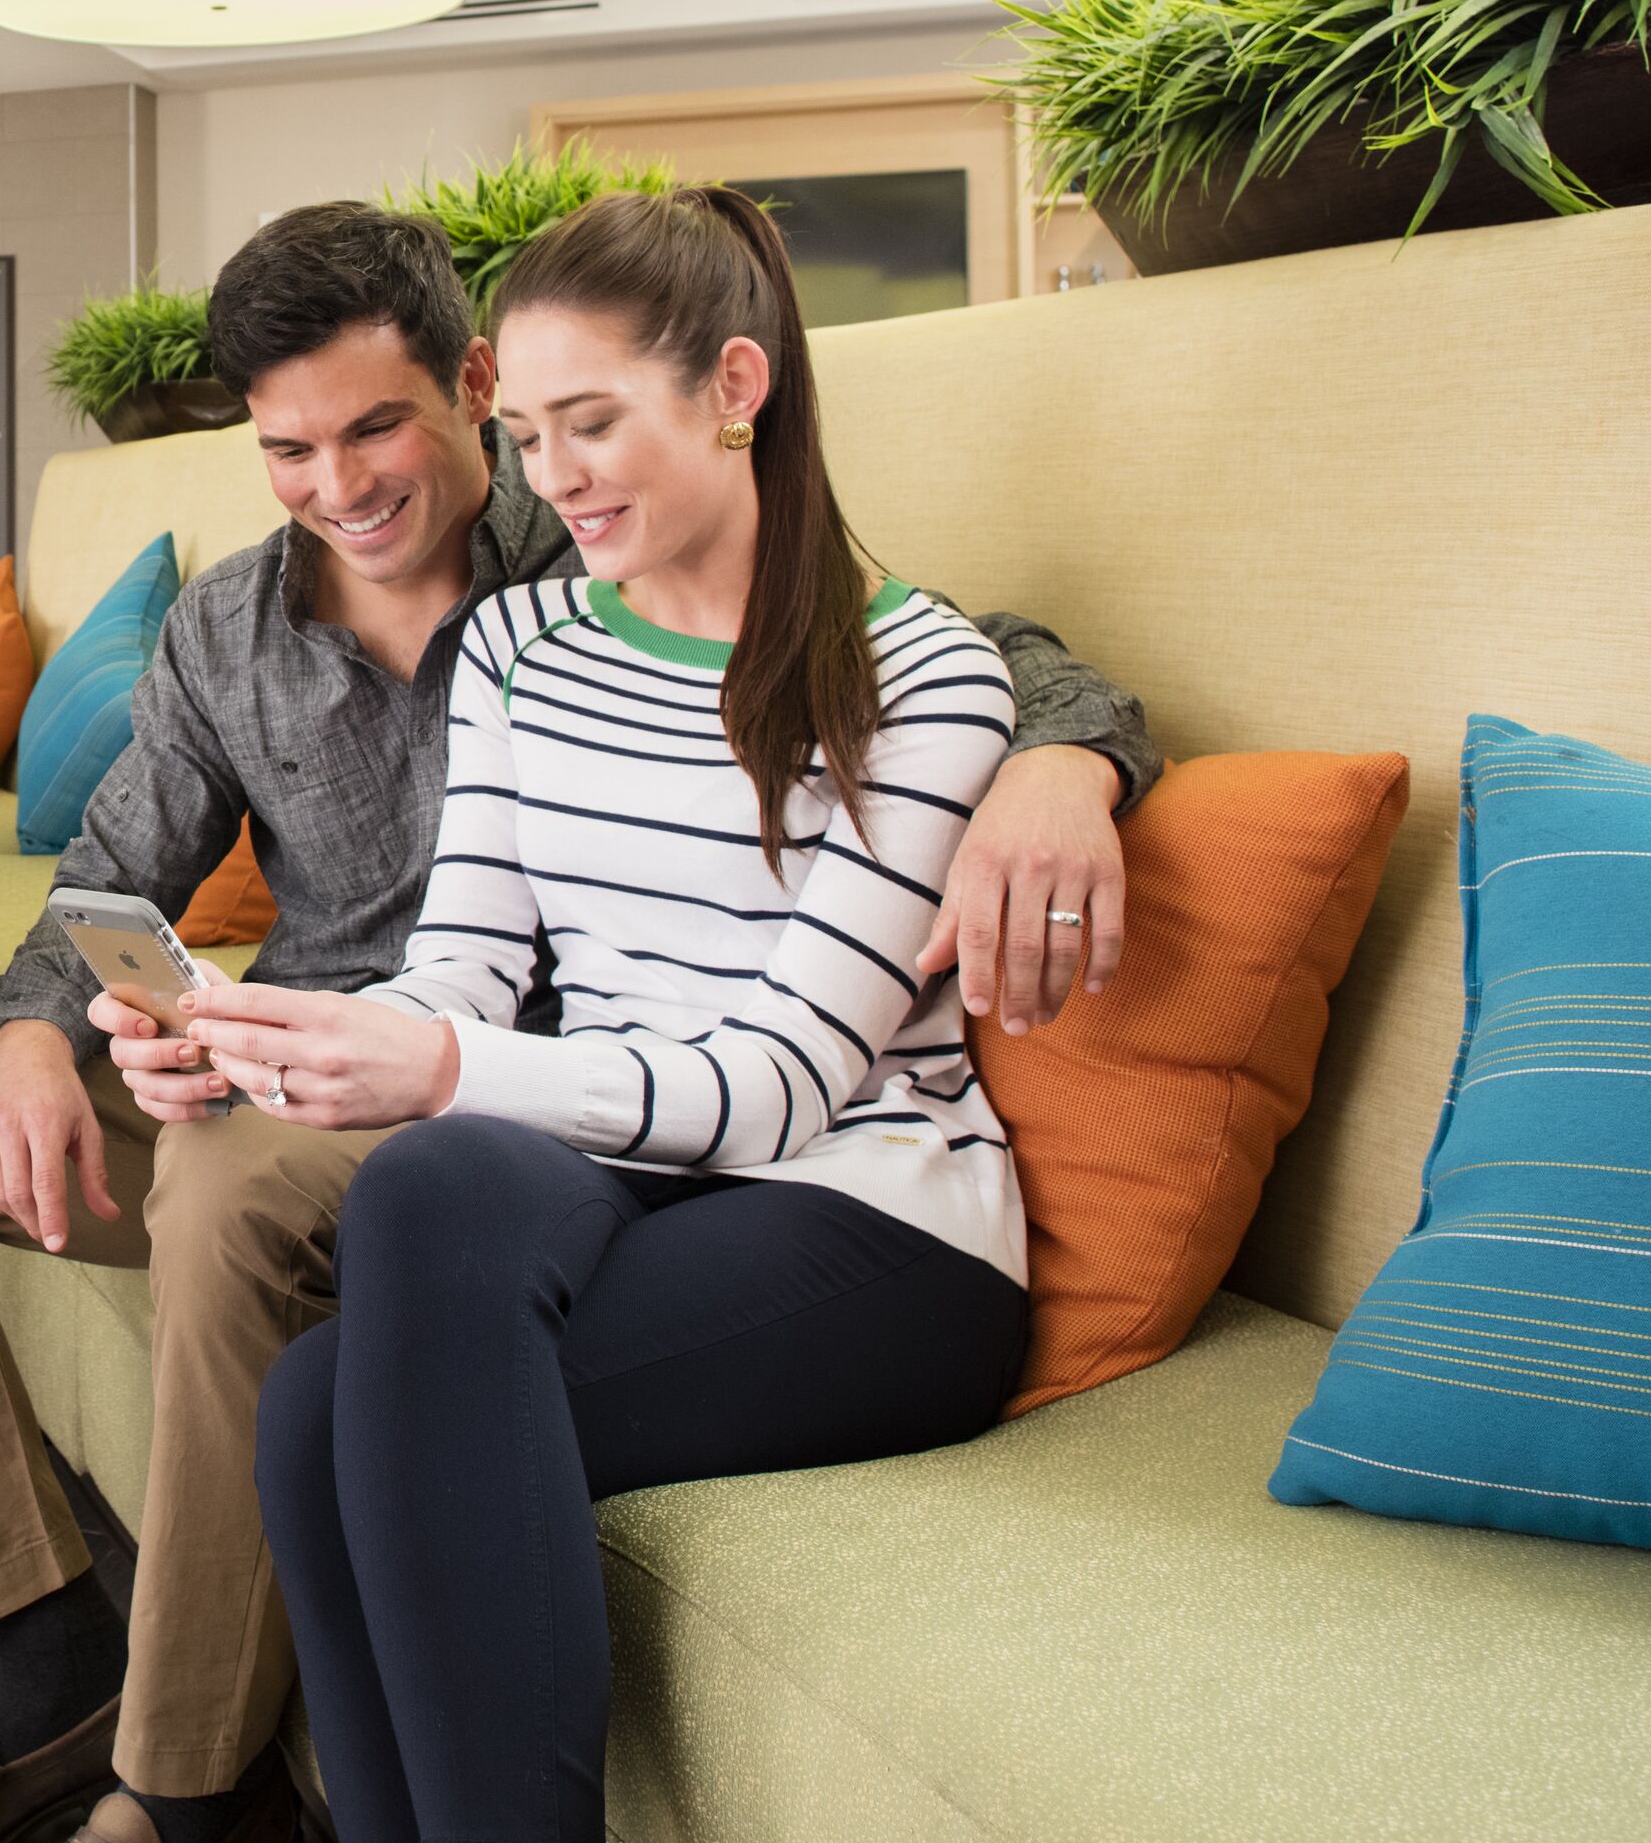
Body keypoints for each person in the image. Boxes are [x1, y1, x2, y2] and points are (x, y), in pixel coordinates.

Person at [0, 201, 1151, 1843]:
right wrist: (112, 1036)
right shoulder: (407, 642)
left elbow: (951, 664)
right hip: (431, 1084)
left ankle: (181, 1793)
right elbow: (222, 901)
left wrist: (1072, 760)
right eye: (289, 450)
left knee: (279, 1238)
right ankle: (55, 1646)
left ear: (465, 385)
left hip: (628, 1121)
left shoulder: (678, 582)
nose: (343, 486)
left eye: (383, 428)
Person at [201, 187, 1031, 1840]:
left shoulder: (922, 680)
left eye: (595, 425)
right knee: (352, 1324)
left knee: (351, 1364)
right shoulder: (517, 646)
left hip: (876, 1224)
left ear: (736, 388)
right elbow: (465, 966)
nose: (553, 478)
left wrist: (440, 1064)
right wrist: (292, 1041)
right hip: (638, 1168)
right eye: (527, 436)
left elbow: (785, 1084)